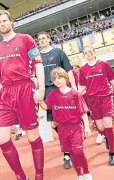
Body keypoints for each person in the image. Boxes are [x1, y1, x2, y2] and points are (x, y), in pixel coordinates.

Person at [0, 10, 45, 180]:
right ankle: (21, 178)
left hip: (25, 89)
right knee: (1, 138)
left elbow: (38, 64)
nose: (2, 24)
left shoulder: (26, 39)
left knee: (33, 136)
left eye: (5, 20)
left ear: (11, 22)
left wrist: (40, 90)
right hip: (6, 93)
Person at [40, 67, 94, 180]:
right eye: (54, 79)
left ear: (65, 77)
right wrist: (39, 100)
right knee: (71, 153)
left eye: (59, 78)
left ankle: (87, 175)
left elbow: (83, 112)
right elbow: (46, 106)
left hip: (75, 127)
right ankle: (79, 176)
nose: (57, 81)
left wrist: (86, 126)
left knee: (78, 151)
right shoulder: (53, 94)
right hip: (62, 128)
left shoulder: (75, 93)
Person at [38, 31, 76, 169]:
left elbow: (69, 70)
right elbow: (36, 76)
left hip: (60, 89)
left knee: (65, 118)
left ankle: (68, 150)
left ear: (49, 39)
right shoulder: (38, 56)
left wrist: (74, 87)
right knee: (54, 123)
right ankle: (68, 148)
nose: (41, 40)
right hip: (46, 91)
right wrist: (38, 91)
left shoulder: (58, 52)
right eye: (39, 39)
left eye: (44, 38)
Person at [79, 46, 114, 165]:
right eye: (86, 53)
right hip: (93, 100)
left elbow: (112, 81)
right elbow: (81, 87)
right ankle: (105, 136)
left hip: (106, 97)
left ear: (95, 53)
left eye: (90, 52)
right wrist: (74, 93)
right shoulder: (83, 69)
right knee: (101, 128)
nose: (88, 54)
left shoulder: (103, 64)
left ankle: (112, 153)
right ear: (84, 55)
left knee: (108, 123)